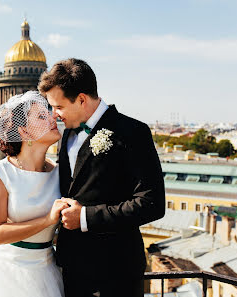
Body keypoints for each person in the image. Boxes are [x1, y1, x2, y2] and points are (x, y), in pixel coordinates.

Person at [38, 58, 166, 297]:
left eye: (59, 107)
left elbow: (151, 203)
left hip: (116, 272)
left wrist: (85, 217)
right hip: (72, 269)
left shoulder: (133, 132)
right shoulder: (67, 135)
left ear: (82, 99)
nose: (54, 115)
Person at [0, 91, 68, 297]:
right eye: (41, 116)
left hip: (47, 269)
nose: (53, 118)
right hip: (8, 274)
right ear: (24, 132)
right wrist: (47, 219)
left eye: (48, 113)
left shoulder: (60, 172)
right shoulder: (1, 171)